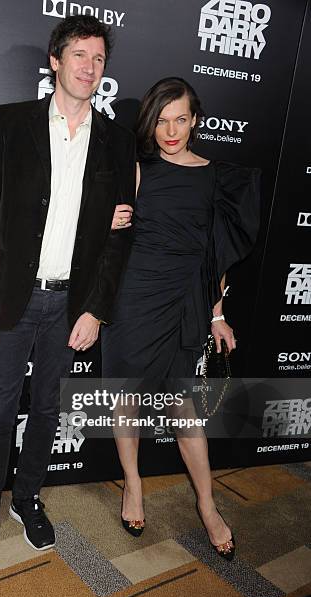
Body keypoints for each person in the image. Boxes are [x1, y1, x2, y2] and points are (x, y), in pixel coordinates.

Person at [0, 15, 135, 578]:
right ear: (55, 61)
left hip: (71, 304)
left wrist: (96, 309)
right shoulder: (11, 123)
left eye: (99, 58)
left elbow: (116, 238)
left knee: (48, 411)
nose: (90, 67)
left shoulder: (113, 138)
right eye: (79, 55)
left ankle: (28, 499)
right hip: (11, 299)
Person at [105, 77, 260, 559]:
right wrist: (106, 219)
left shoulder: (215, 177)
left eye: (180, 119)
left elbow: (214, 255)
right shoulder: (137, 168)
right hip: (133, 296)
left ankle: (208, 504)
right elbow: (101, 228)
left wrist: (217, 313)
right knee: (126, 394)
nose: (170, 131)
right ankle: (133, 484)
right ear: (150, 122)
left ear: (195, 120)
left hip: (186, 299)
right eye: (161, 120)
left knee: (184, 408)